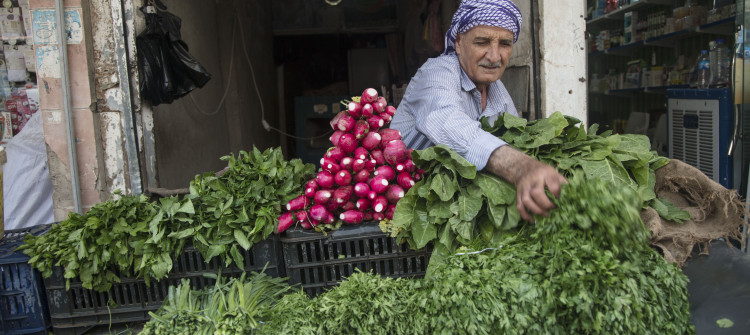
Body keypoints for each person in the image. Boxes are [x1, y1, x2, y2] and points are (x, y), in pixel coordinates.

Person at [390, 0, 566, 222]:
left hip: (452, 214)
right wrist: (520, 166)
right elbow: (446, 121)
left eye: (505, 44)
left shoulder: (497, 91)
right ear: (460, 42)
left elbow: (516, 140)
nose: (494, 56)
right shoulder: (437, 72)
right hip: (404, 213)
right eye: (482, 42)